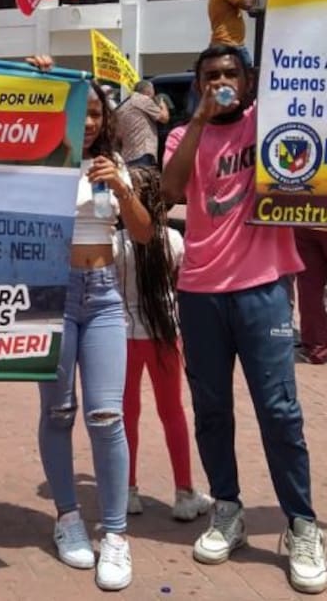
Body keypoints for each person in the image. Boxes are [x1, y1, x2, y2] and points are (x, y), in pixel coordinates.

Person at [161, 44, 324, 594]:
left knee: (279, 412)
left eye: (231, 73)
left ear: (250, 80)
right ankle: (227, 508)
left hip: (265, 289)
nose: (222, 81)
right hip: (201, 291)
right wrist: (202, 117)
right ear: (199, 83)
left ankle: (301, 524)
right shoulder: (185, 135)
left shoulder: (274, 118)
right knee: (211, 410)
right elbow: (169, 191)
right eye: (211, 76)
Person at [31, 58, 152, 592]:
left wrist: (123, 191)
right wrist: (38, 83)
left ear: (106, 120)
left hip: (103, 299)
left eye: (96, 112)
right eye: (78, 111)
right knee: (58, 412)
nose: (88, 121)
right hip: (52, 298)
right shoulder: (40, 163)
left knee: (107, 416)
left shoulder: (115, 167)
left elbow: (145, 235)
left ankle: (117, 536)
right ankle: (67, 518)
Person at [114, 166, 212, 521]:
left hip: (124, 335)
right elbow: (182, 282)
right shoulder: (173, 240)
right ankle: (184, 493)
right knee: (172, 413)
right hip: (165, 336)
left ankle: (127, 490)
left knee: (127, 415)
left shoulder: (117, 244)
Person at [207, 0, 258, 68]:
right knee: (246, 73)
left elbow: (248, 8)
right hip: (228, 44)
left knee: (246, 73)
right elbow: (247, 4)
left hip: (232, 44)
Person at [114, 80, 169, 167]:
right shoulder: (143, 99)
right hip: (143, 152)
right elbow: (164, 118)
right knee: (145, 179)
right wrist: (163, 104)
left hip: (127, 155)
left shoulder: (123, 105)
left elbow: (118, 135)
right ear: (149, 91)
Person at [294, 228, 327, 365]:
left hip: (307, 219)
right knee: (309, 288)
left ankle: (316, 348)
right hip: (308, 221)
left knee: (309, 288)